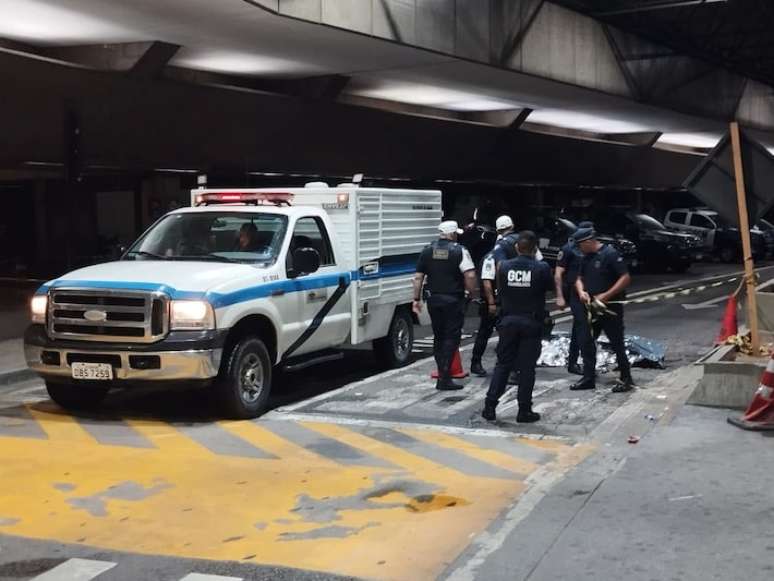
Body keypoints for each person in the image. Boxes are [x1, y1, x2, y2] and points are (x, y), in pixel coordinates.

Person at [482, 231, 552, 423]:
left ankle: (489, 406)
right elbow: (549, 287)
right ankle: (524, 410)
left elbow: (501, 288)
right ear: (535, 248)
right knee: (527, 368)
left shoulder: (503, 266)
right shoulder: (542, 268)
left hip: (508, 321)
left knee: (502, 365)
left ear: (516, 248)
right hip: (530, 322)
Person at [413, 220, 478, 391]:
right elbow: (470, 275)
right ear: (452, 234)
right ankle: (445, 377)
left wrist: (415, 299)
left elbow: (418, 277)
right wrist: (471, 293)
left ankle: (442, 374)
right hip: (453, 300)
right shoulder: (459, 250)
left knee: (439, 336)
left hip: (433, 300)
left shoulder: (427, 250)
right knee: (451, 337)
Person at [572, 227, 635, 392]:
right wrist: (581, 291)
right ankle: (588, 377)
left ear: (587, 242)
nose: (579, 249)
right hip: (591, 306)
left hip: (610, 308)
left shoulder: (610, 254)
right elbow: (579, 278)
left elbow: (625, 277)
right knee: (586, 341)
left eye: (580, 245)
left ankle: (626, 377)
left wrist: (606, 296)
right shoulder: (585, 257)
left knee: (616, 343)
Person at [554, 221, 594, 376]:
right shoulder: (568, 249)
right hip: (574, 292)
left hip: (589, 291)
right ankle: (575, 363)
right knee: (581, 327)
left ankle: (579, 361)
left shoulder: (589, 248)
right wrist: (559, 296)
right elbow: (558, 273)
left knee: (583, 328)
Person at [470, 247, 497, 376]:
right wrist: (491, 302)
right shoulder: (491, 258)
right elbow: (487, 282)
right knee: (484, 333)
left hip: (499, 301)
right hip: (491, 302)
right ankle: (475, 362)